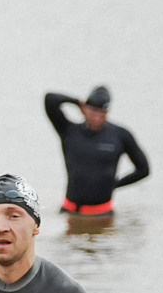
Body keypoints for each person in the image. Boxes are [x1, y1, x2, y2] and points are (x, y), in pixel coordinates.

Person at [44, 86, 150, 218]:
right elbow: (50, 99)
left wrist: (114, 185)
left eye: (102, 112)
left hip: (103, 214)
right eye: (93, 111)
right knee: (68, 239)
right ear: (85, 109)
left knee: (106, 237)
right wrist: (77, 101)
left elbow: (143, 170)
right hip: (69, 212)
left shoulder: (121, 135)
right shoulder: (69, 131)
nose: (97, 117)